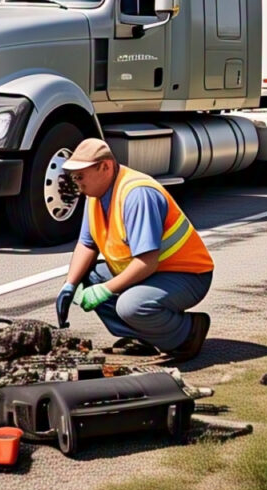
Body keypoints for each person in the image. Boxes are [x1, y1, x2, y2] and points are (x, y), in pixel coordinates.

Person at [55, 138, 213, 362]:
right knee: (87, 278)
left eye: (80, 176)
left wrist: (105, 290)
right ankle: (143, 337)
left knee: (131, 305)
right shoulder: (95, 194)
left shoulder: (137, 194)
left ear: (105, 167)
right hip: (152, 273)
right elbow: (87, 244)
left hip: (186, 274)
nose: (76, 182)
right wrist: (69, 285)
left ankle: (187, 333)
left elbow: (147, 262)